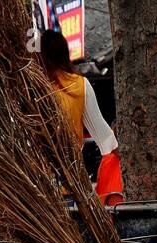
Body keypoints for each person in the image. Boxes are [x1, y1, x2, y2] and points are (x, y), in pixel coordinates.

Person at [38, 29, 117, 159]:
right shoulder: (80, 84)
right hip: (71, 166)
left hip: (34, 167)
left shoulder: (33, 86)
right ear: (64, 54)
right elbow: (103, 134)